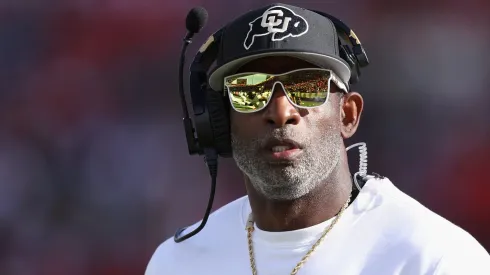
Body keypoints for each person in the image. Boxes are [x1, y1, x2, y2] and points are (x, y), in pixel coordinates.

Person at [145, 3, 490, 274]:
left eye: (306, 87)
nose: (281, 112)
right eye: (250, 90)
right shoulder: (177, 263)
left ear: (348, 115)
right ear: (220, 125)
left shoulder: (435, 259)